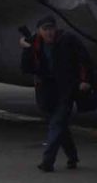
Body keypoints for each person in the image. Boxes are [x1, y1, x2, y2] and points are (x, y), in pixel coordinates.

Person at [20, 16, 92, 172]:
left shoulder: (68, 40)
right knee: (60, 126)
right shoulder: (36, 43)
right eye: (45, 29)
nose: (49, 33)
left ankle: (47, 161)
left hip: (66, 87)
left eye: (51, 28)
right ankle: (72, 156)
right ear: (39, 31)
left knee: (57, 123)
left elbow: (84, 59)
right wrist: (27, 49)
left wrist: (84, 80)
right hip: (46, 90)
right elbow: (26, 68)